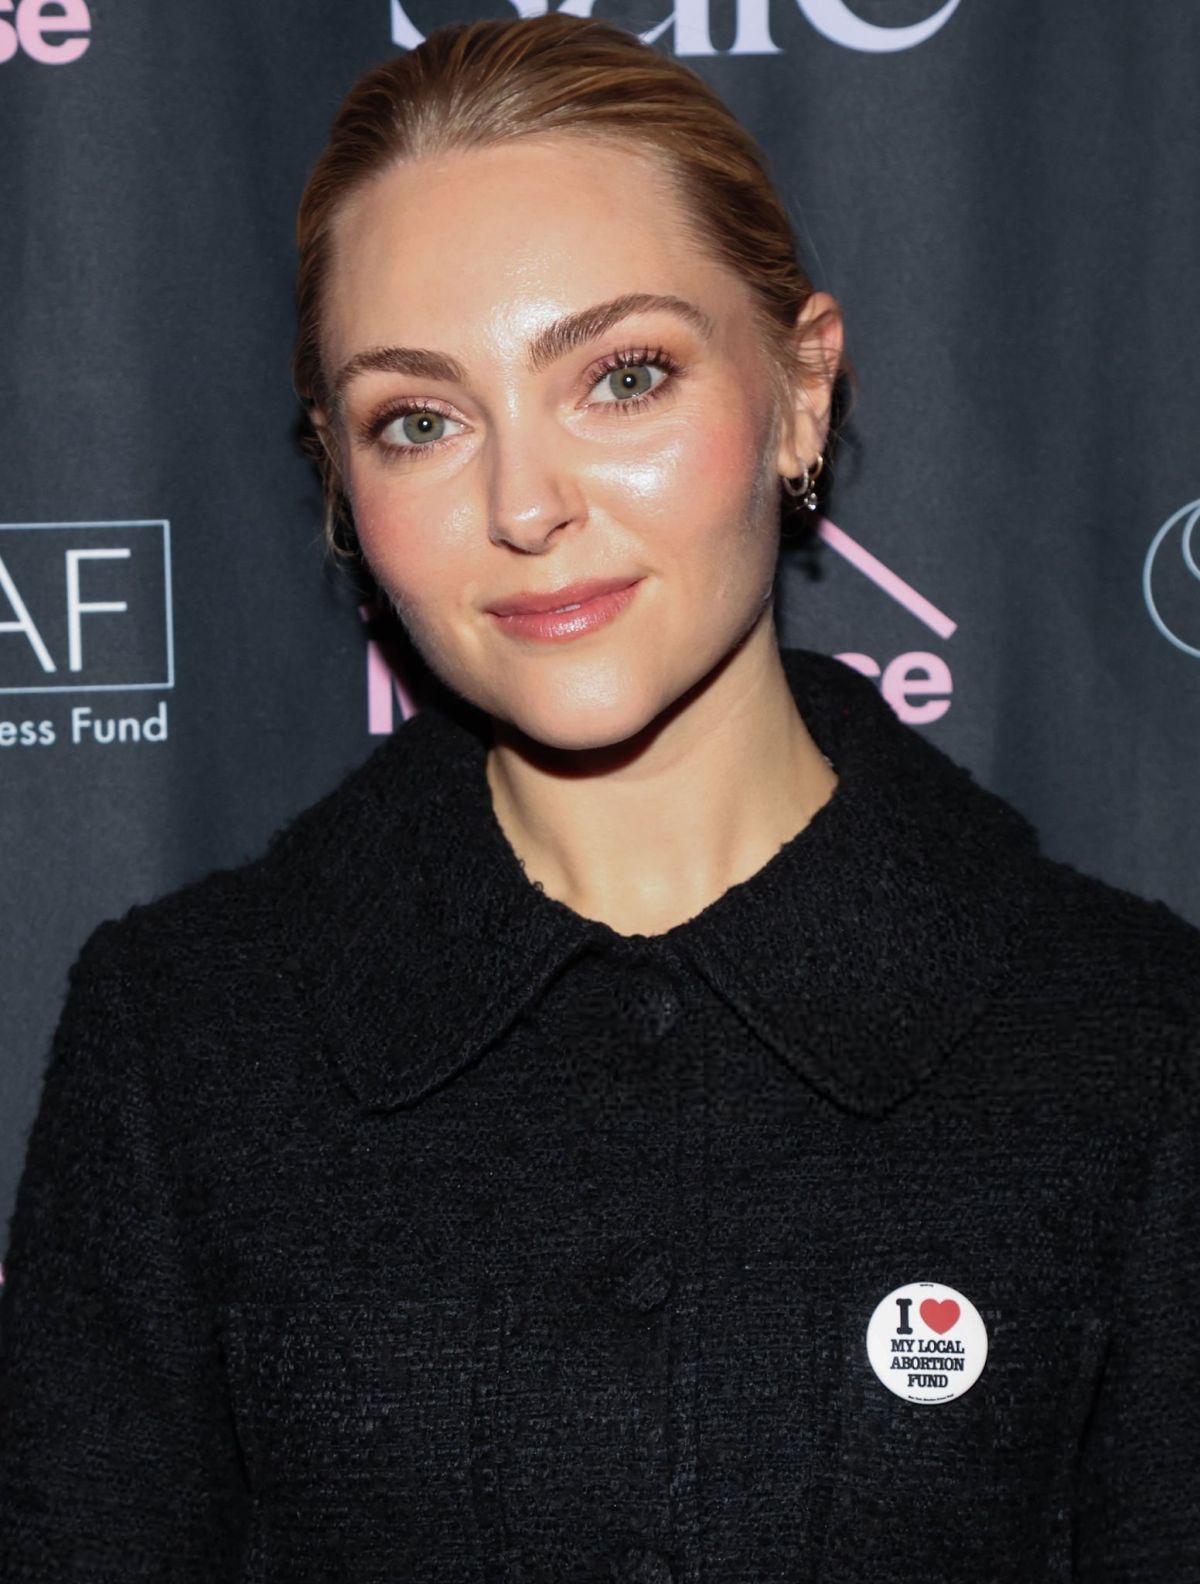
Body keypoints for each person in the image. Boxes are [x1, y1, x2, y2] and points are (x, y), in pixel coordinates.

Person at [1, 14, 1198, 1582]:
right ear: (342, 479)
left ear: (800, 392)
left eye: (622, 378)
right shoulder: (181, 1042)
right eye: (420, 420)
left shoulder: (1132, 1041)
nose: (524, 505)